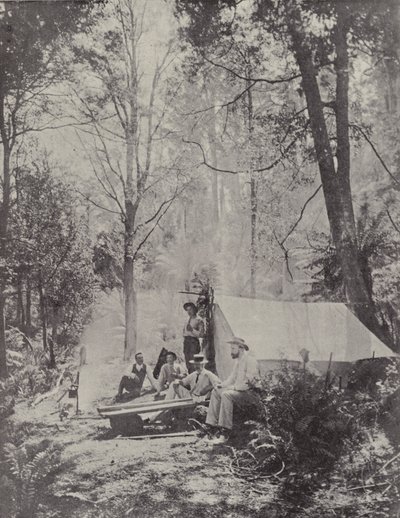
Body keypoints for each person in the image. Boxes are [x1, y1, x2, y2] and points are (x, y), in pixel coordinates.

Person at [205, 337, 260, 444]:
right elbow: (231, 378)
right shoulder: (238, 362)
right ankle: (211, 427)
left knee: (227, 395)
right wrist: (221, 385)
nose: (231, 351)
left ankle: (225, 433)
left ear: (241, 349)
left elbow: (249, 384)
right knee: (216, 391)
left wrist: (232, 388)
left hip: (251, 394)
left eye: (233, 349)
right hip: (240, 392)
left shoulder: (250, 361)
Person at [182, 302, 205, 373]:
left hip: (193, 342)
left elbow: (201, 335)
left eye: (190, 309)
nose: (189, 312)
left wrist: (192, 330)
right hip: (186, 342)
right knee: (187, 361)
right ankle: (190, 378)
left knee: (193, 362)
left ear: (194, 309)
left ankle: (195, 379)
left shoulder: (199, 320)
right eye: (187, 310)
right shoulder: (187, 319)